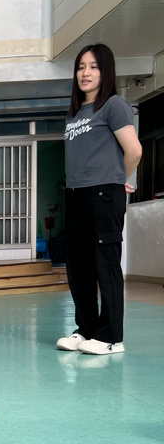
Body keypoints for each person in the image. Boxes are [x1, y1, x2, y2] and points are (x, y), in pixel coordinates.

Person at [57, 44, 142, 356]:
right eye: (81, 67)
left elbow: (134, 151)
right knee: (78, 267)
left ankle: (111, 337)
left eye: (93, 66)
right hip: (76, 194)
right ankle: (87, 329)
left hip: (103, 194)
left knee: (105, 265)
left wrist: (117, 180)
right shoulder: (75, 112)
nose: (86, 73)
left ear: (106, 71)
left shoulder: (114, 105)